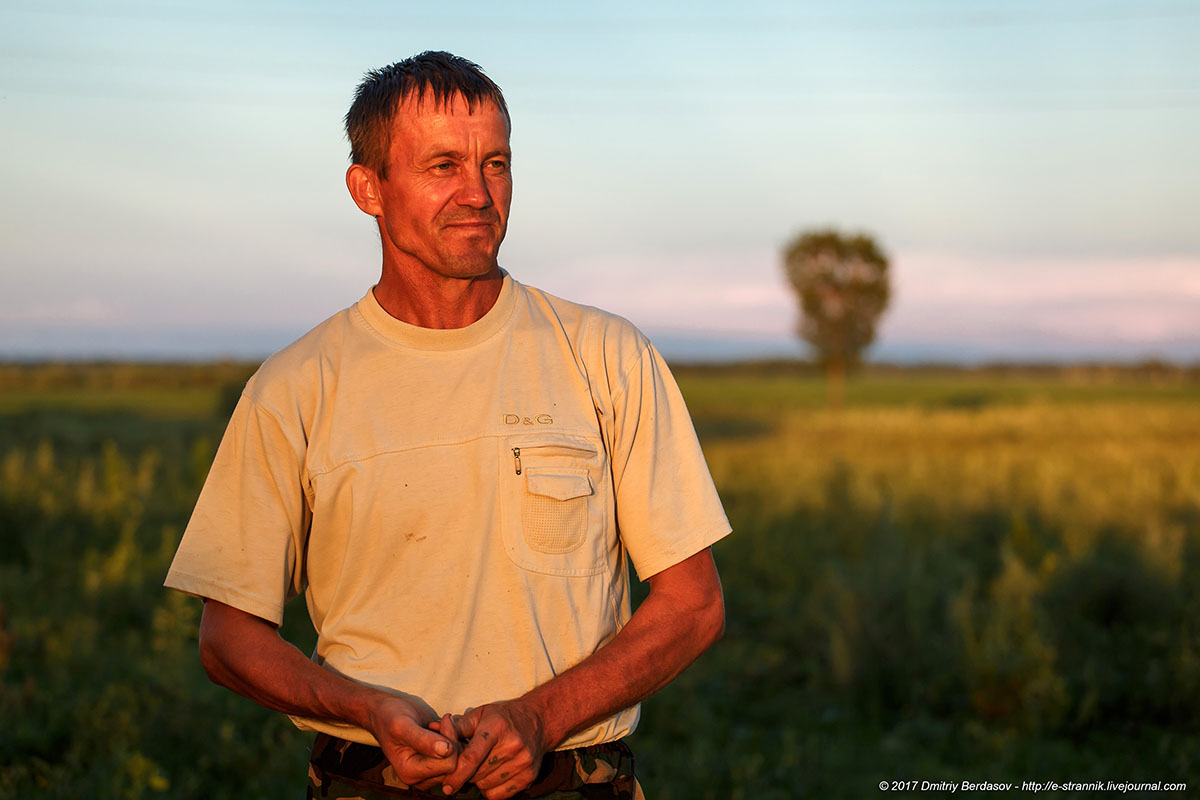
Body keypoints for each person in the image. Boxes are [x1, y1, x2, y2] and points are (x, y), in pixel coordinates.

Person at [165, 50, 731, 800]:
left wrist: (540, 717)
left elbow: (694, 605)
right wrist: (365, 709)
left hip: (572, 783)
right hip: (368, 785)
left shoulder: (606, 356)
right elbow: (227, 636)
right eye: (442, 166)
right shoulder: (297, 385)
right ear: (368, 188)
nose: (477, 193)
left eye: (494, 163)